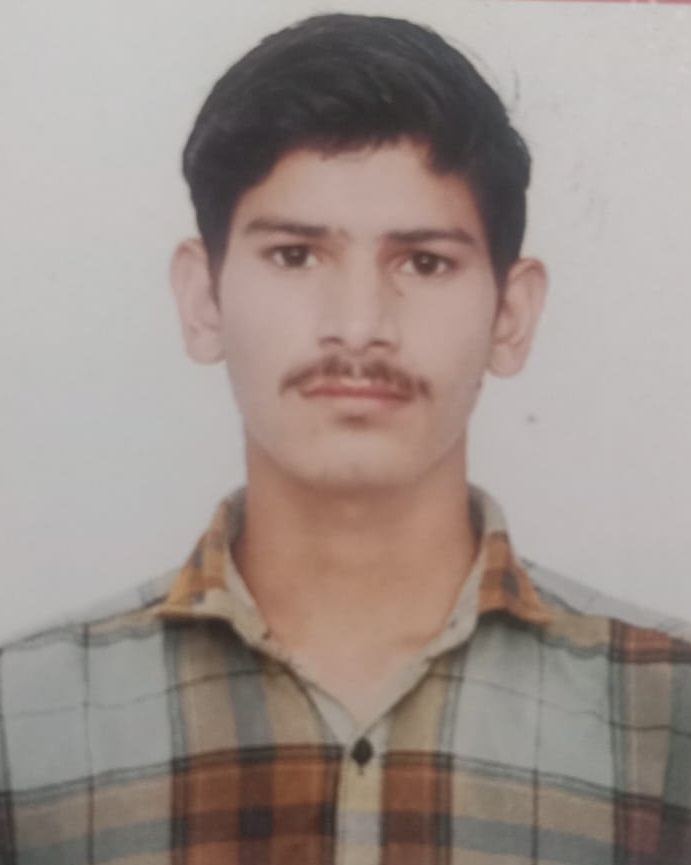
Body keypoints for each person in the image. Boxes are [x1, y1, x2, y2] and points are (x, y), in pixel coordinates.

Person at [1, 12, 690, 864]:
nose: (359, 326)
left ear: (510, 316)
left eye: (423, 262)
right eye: (295, 255)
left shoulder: (668, 715)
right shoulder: (22, 727)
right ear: (203, 298)